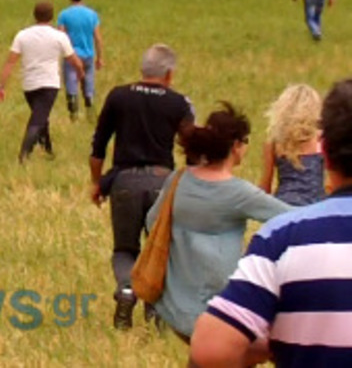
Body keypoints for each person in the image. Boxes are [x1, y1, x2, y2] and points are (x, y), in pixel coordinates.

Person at [190, 79, 352, 368]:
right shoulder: (315, 141)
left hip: (285, 214)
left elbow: (209, 351)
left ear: (328, 153)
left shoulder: (275, 148)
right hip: (318, 202)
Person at [146, 104, 290, 342]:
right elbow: (292, 217)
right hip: (218, 307)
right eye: (245, 142)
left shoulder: (178, 179)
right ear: (235, 147)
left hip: (175, 303)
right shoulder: (238, 193)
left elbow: (152, 221)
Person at [89, 43, 195, 330]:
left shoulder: (118, 96)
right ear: (169, 74)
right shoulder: (178, 103)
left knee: (125, 249)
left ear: (142, 69)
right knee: (159, 248)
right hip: (163, 182)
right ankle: (156, 308)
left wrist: (96, 182)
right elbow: (193, 148)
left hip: (124, 181)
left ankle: (126, 288)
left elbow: (98, 143)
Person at [0, 1, 83, 163]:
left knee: (41, 116)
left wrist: (1, 86)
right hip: (50, 84)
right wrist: (80, 72)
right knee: (38, 119)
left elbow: (10, 62)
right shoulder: (59, 36)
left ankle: (48, 151)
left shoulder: (22, 35)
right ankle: (24, 154)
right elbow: (73, 59)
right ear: (52, 16)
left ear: (34, 15)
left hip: (29, 85)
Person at [258, 84, 326, 206]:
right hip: (315, 207)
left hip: (283, 207)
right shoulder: (321, 140)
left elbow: (265, 188)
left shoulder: (274, 143)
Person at [57, 0, 103, 121]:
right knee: (89, 81)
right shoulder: (92, 15)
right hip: (88, 54)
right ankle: (89, 106)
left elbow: (61, 36)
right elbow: (98, 38)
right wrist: (100, 58)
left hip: (71, 55)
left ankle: (73, 112)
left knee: (71, 82)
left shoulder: (64, 14)